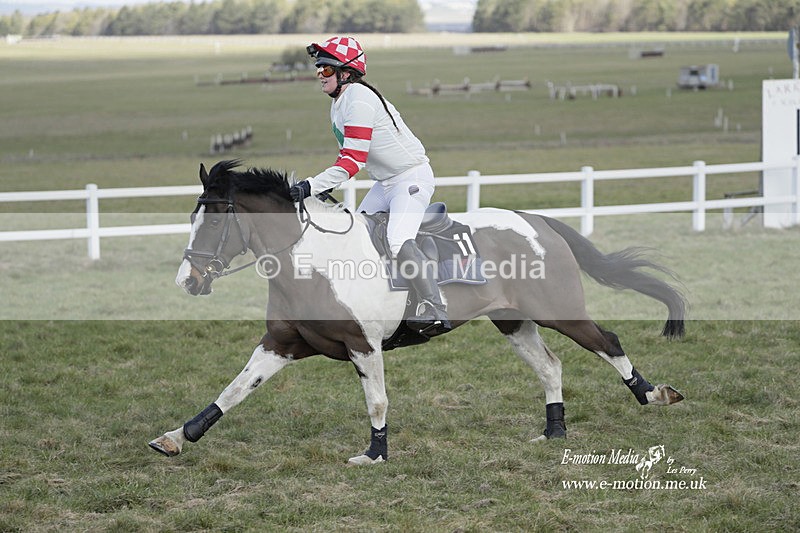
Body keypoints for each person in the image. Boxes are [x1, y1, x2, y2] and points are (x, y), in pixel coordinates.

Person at [290, 36, 451, 336]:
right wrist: (325, 186)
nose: (319, 75)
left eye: (325, 70)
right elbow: (347, 156)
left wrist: (309, 187)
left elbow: (352, 162)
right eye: (318, 70)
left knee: (398, 240)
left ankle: (434, 306)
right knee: (356, 235)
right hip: (385, 182)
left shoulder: (360, 99)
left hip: (410, 179)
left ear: (345, 73)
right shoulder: (340, 103)